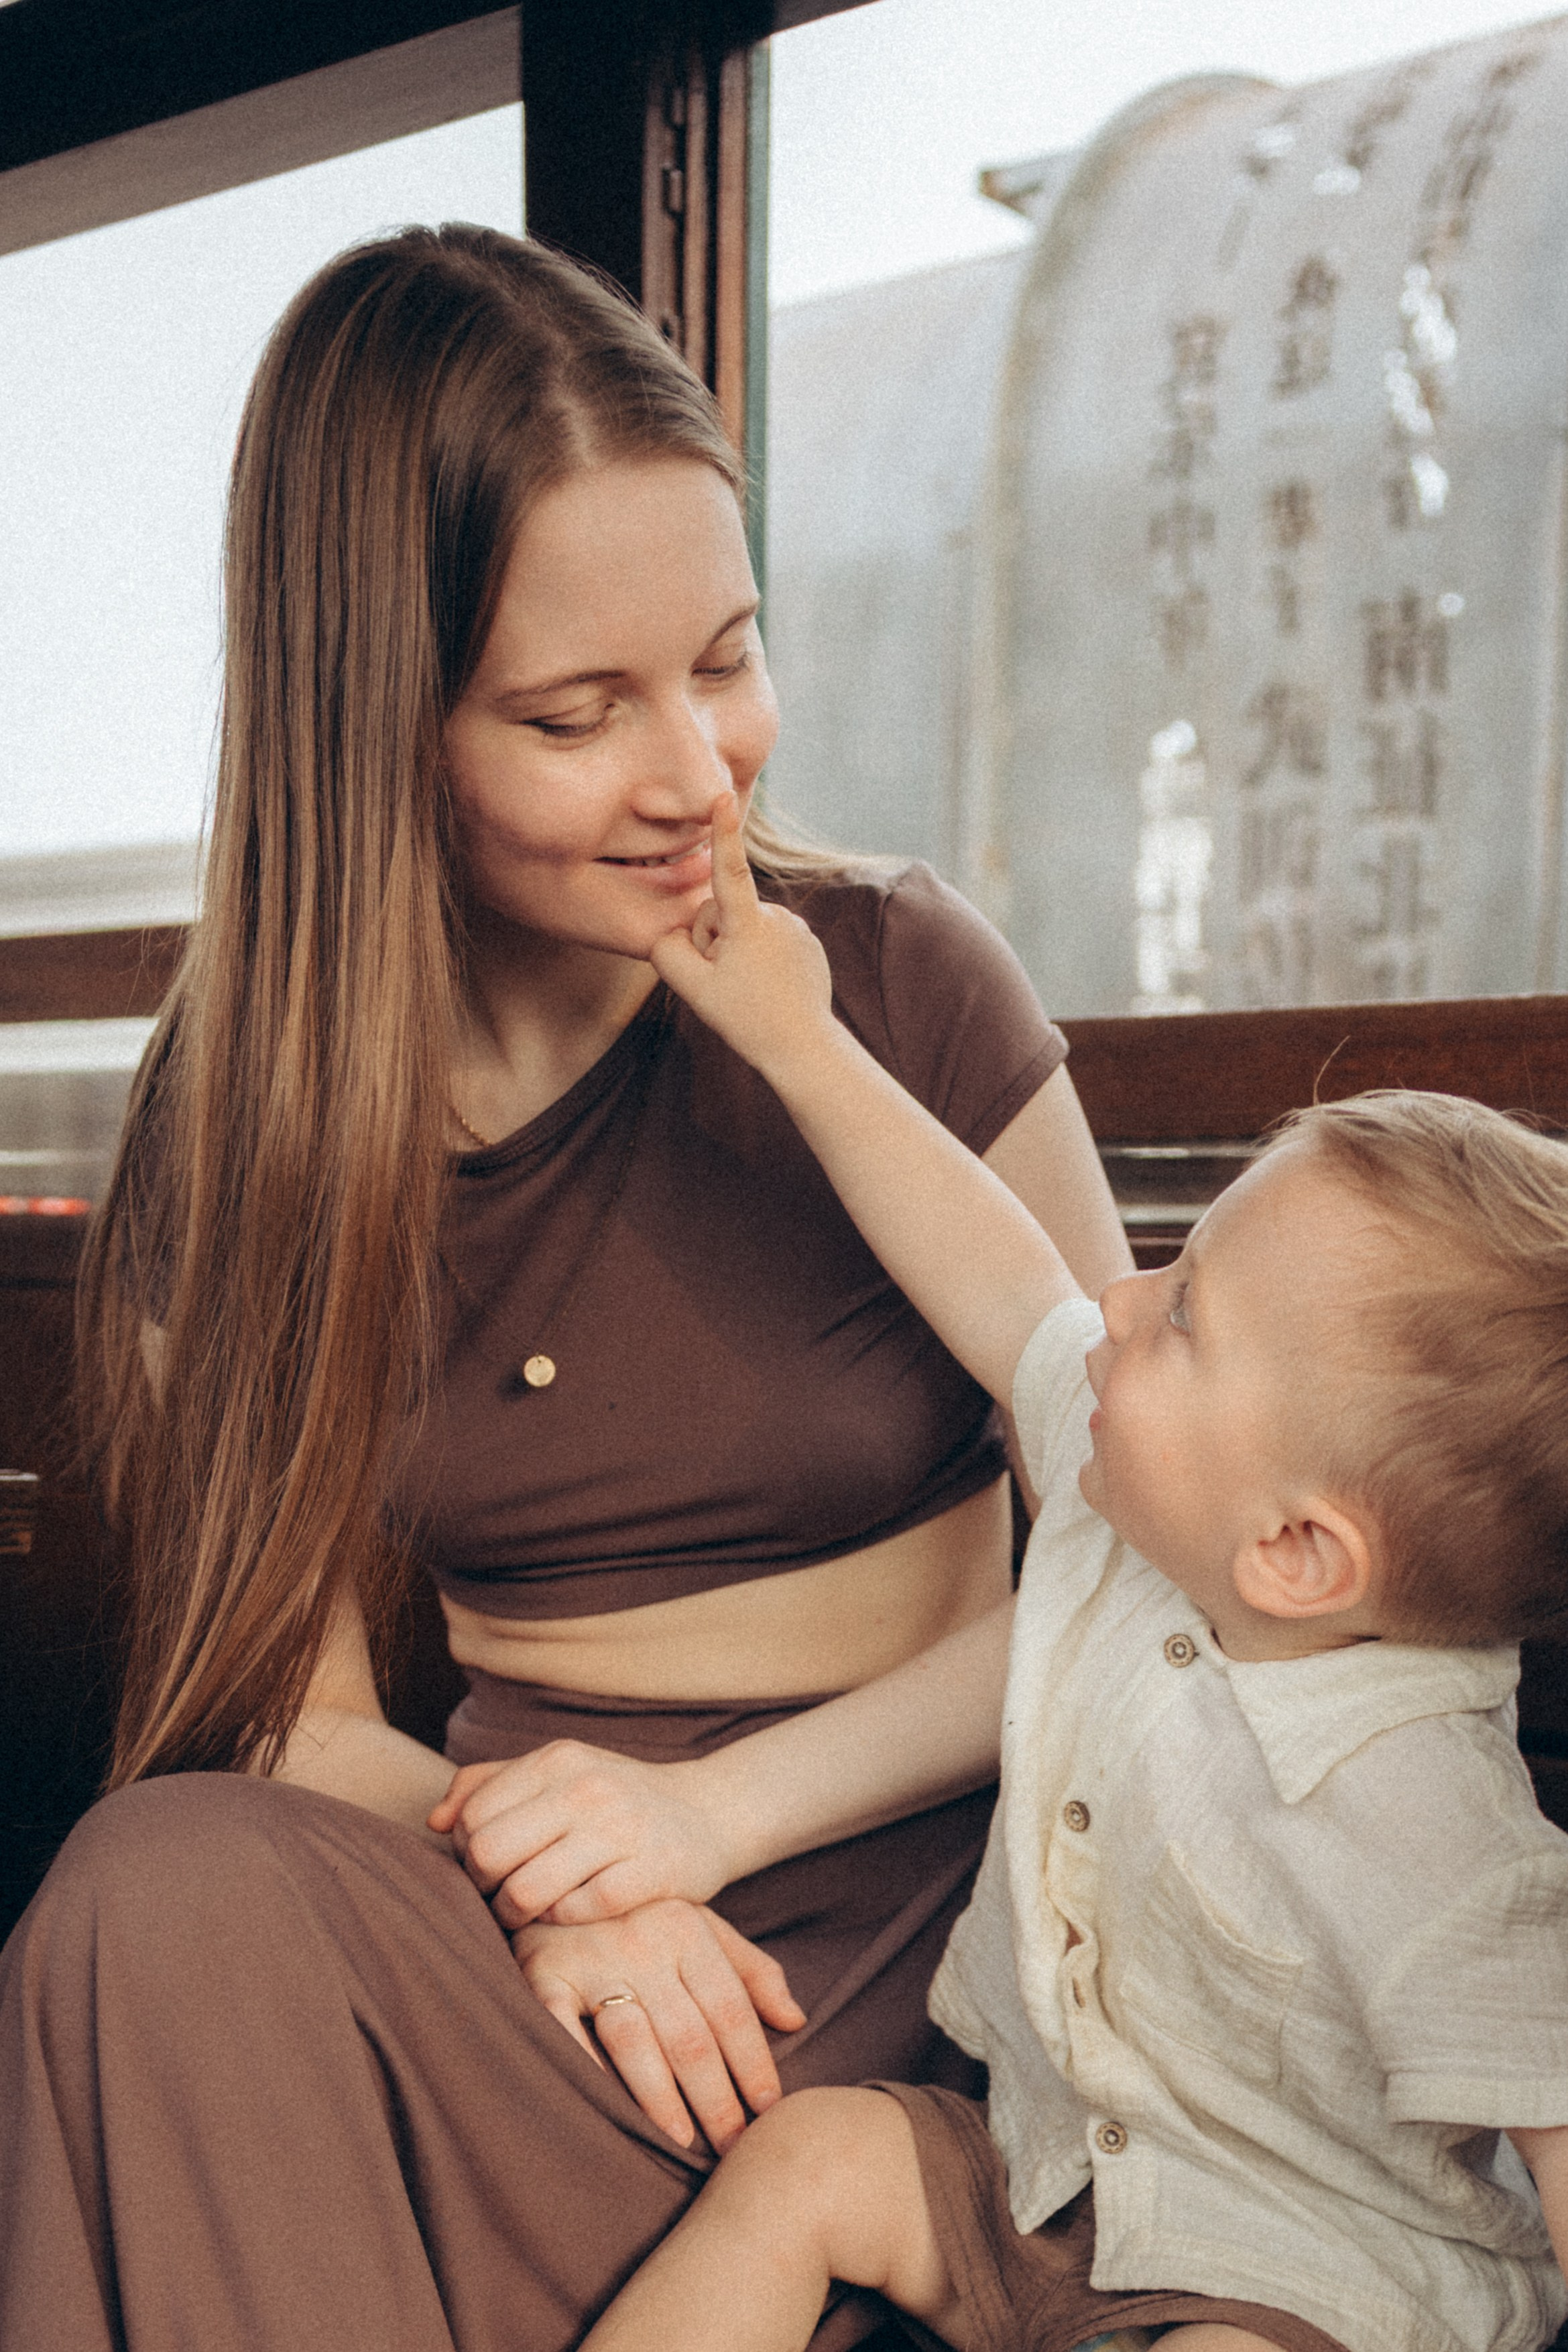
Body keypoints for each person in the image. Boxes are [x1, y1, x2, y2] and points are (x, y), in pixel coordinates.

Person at [0, 227, 1132, 2350]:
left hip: (926, 1938)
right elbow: (302, 1719)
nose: (697, 771)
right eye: (575, 711)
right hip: (519, 1937)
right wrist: (559, 1894)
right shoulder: (233, 1127)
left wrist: (701, 1821)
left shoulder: (896, 983)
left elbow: (1159, 1558)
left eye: (725, 656)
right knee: (147, 1893)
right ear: (378, 731)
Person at [576, 795, 1568, 2352]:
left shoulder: (1428, 1816)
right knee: (815, 2157)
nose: (1117, 1299)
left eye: (1184, 1315)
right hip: (1041, 2181)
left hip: (1301, 2276)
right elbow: (993, 1268)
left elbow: (1554, 2107)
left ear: (1297, 1550)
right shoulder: (1149, 1506)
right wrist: (800, 1039)